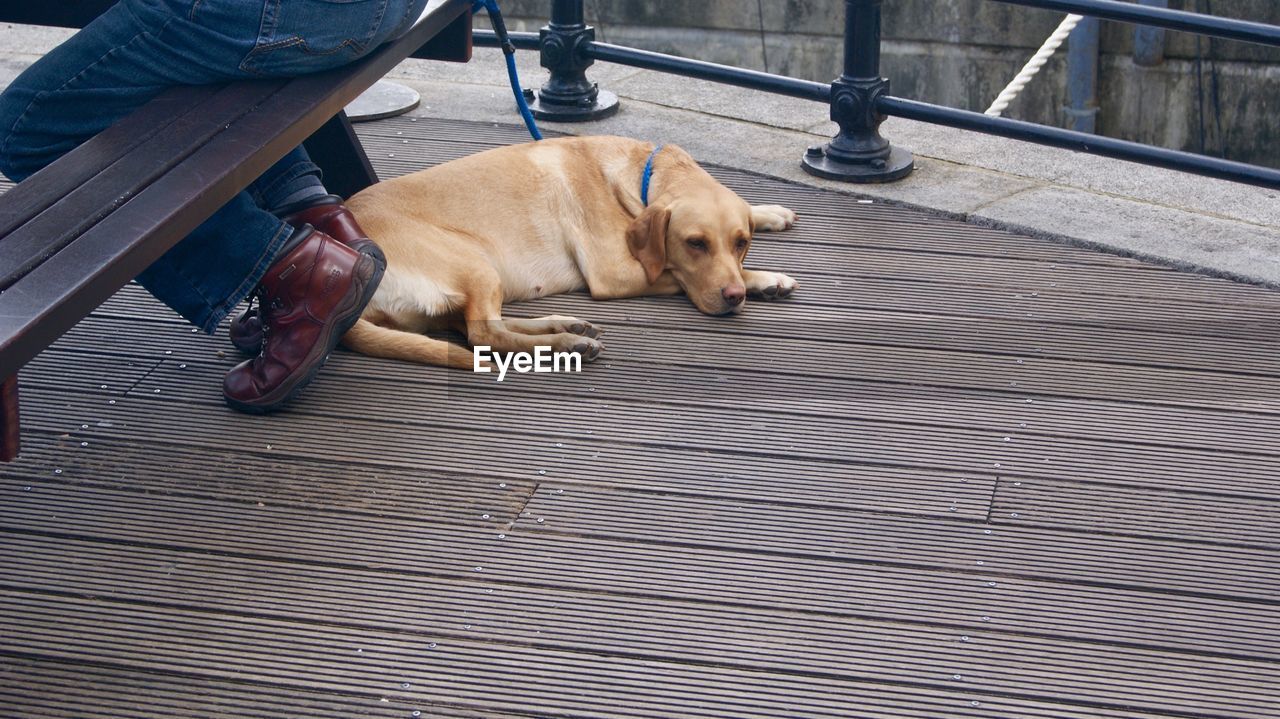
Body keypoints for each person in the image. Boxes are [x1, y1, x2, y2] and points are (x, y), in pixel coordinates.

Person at [0, 0, 430, 413]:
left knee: (25, 127)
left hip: (281, 15)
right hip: (391, 9)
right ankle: (311, 215)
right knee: (158, 65)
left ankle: (291, 270)